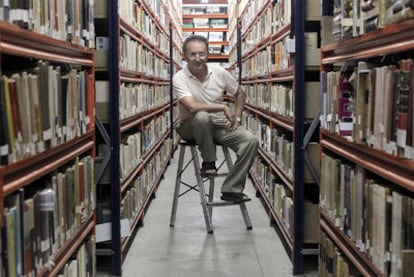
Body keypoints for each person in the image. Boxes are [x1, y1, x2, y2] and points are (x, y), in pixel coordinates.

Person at [173, 35, 259, 202]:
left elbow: (240, 92)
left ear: (208, 54)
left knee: (251, 141)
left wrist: (237, 117)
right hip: (190, 126)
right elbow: (191, 107)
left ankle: (231, 189)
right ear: (184, 56)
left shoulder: (219, 72)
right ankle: (209, 162)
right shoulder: (179, 77)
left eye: (202, 54)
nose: (198, 59)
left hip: (218, 125)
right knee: (202, 117)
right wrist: (223, 107)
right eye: (192, 54)